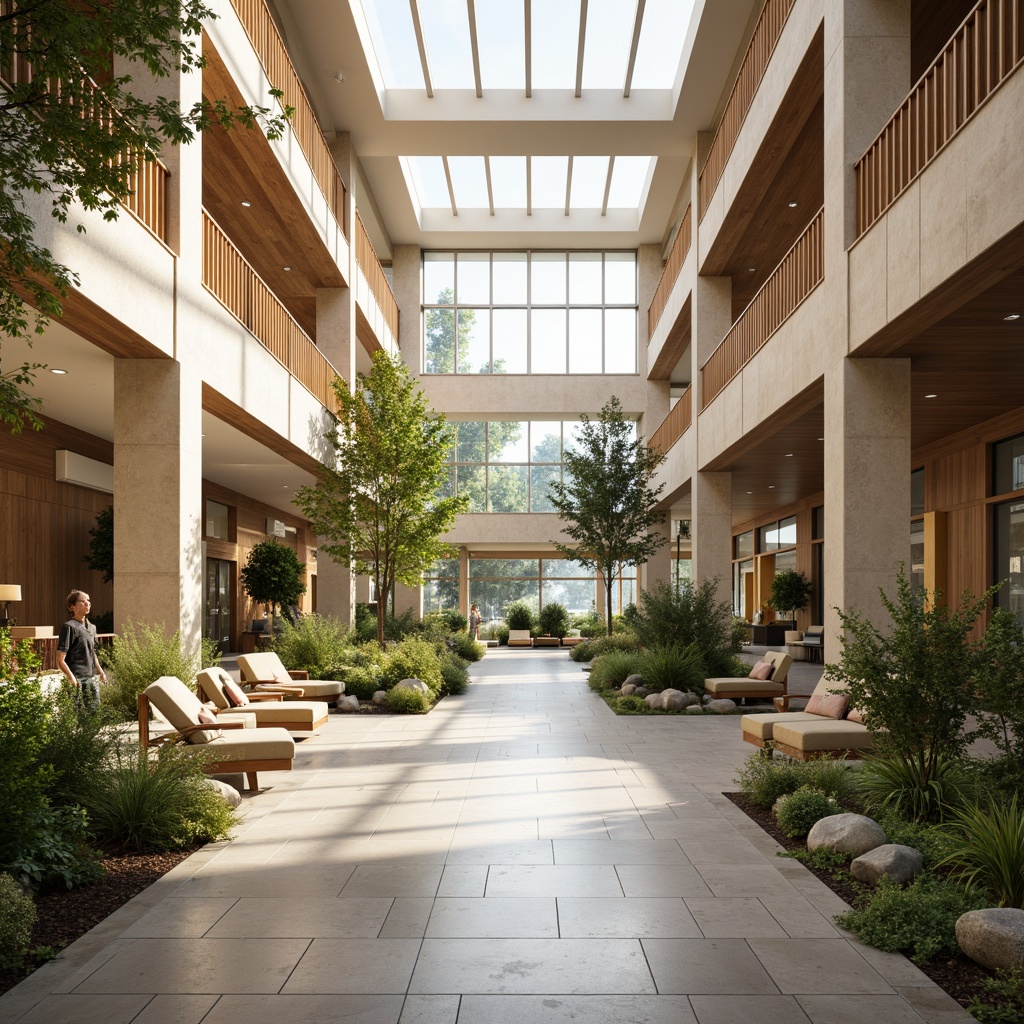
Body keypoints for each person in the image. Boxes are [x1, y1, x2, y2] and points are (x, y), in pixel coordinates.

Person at [56, 590, 106, 712]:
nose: (87, 603)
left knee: (94, 714)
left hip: (91, 677)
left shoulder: (92, 627)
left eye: (88, 601)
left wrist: (100, 671)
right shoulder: (69, 627)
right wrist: (71, 679)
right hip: (77, 678)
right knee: (78, 715)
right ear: (72, 607)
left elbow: (92, 652)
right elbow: (60, 659)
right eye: (83, 601)